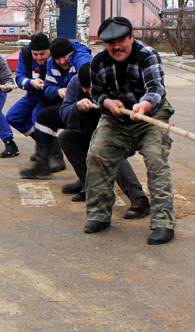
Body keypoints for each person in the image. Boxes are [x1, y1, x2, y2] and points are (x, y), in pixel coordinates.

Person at [85, 16, 175, 245]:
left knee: (156, 160)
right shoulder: (99, 63)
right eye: (110, 43)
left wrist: (144, 105)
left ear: (132, 37)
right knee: (97, 154)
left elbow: (156, 88)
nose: (117, 47)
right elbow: (97, 93)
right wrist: (107, 103)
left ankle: (163, 222)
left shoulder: (148, 55)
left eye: (122, 40)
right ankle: (99, 215)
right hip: (116, 119)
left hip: (150, 117)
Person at [58, 62, 150, 219]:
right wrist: (77, 107)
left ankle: (139, 198)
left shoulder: (115, 83)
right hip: (93, 135)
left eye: (91, 88)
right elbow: (64, 114)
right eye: (85, 89)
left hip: (123, 135)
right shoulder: (75, 83)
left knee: (110, 151)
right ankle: (89, 185)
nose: (88, 92)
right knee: (66, 137)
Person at [19, 36, 92, 178]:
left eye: (65, 57)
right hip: (69, 105)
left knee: (74, 135)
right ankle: (43, 164)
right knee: (43, 117)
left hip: (88, 108)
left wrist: (71, 93)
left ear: (71, 52)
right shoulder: (52, 62)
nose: (62, 61)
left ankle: (87, 178)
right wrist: (58, 91)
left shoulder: (82, 59)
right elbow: (48, 88)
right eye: (57, 58)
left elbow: (87, 81)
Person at [6, 32, 51, 141]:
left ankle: (52, 152)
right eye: (35, 54)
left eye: (42, 54)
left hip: (50, 96)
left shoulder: (56, 56)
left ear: (49, 50)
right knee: (13, 117)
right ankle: (43, 143)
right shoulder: (25, 53)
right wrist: (31, 82)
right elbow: (19, 77)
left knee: (38, 118)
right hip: (33, 94)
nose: (39, 58)